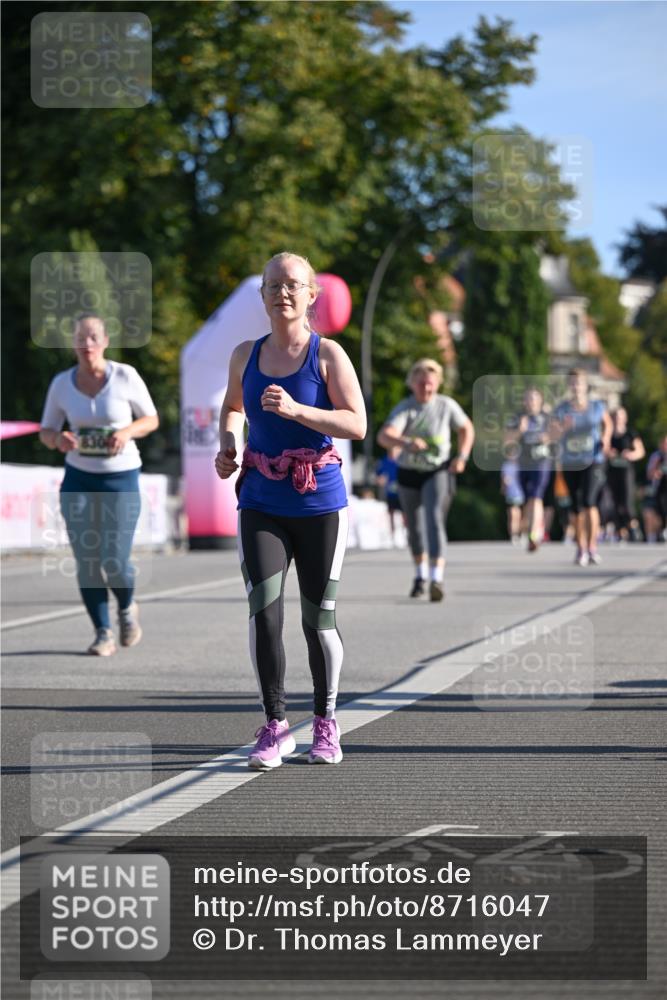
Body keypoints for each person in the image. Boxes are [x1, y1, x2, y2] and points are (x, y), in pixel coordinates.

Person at [215, 252, 366, 770]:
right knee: (264, 610)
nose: (282, 292)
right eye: (273, 285)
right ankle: (275, 725)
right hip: (261, 499)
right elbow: (233, 408)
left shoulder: (328, 355)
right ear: (262, 295)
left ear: (311, 295)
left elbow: (357, 423)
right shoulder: (245, 355)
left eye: (293, 285)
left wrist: (299, 410)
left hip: (320, 502)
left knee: (317, 618)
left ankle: (325, 721)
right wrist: (229, 444)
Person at [39, 314, 159, 655]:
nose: (86, 344)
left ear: (105, 341)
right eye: (80, 337)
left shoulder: (124, 376)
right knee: (87, 560)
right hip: (78, 478)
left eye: (93, 337)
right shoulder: (61, 383)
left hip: (121, 478)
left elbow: (151, 419)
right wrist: (58, 440)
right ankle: (103, 632)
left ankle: (127, 606)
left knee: (114, 559)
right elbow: (46, 430)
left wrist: (126, 432)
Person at [377, 358, 474, 601]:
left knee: (434, 519)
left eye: (430, 383)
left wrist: (462, 456)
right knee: (415, 528)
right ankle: (420, 575)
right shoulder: (406, 408)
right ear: (412, 384)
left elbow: (466, 429)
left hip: (437, 470)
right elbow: (384, 436)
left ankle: (436, 578)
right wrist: (405, 442)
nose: (426, 388)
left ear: (438, 383)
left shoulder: (446, 405)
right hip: (409, 472)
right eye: (421, 383)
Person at [552, 368, 612, 566]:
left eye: (579, 383)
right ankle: (581, 548)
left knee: (589, 501)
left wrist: (605, 439)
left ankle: (592, 546)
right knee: (576, 507)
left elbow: (607, 424)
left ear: (585, 386)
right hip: (570, 461)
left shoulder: (596, 406)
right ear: (568, 386)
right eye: (572, 383)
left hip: (593, 459)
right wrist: (563, 428)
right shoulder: (562, 409)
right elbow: (552, 434)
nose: (576, 386)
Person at [506, 387, 553, 552]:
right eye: (527, 399)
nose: (530, 402)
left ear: (540, 400)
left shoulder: (547, 417)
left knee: (536, 496)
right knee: (528, 499)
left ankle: (534, 534)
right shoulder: (517, 418)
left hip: (541, 462)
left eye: (533, 398)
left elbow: (558, 435)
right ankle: (529, 529)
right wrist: (520, 431)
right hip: (523, 463)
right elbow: (507, 440)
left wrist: (547, 438)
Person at [607, 407, 645, 541]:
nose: (618, 419)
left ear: (625, 418)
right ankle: (621, 531)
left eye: (620, 416)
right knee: (614, 502)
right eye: (616, 416)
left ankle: (634, 527)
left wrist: (630, 454)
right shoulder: (608, 434)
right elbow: (602, 450)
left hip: (626, 472)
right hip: (612, 472)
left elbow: (640, 452)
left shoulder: (630, 434)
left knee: (627, 502)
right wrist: (608, 453)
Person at [375, 446, 405, 545]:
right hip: (390, 492)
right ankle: (393, 535)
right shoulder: (384, 461)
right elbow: (379, 474)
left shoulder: (401, 460)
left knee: (405, 514)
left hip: (401, 491)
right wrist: (381, 480)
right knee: (391, 513)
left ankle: (406, 533)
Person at [642, 434, 667, 542]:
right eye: (664, 443)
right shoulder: (656, 456)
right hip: (658, 490)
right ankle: (652, 538)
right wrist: (657, 471)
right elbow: (650, 474)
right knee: (652, 513)